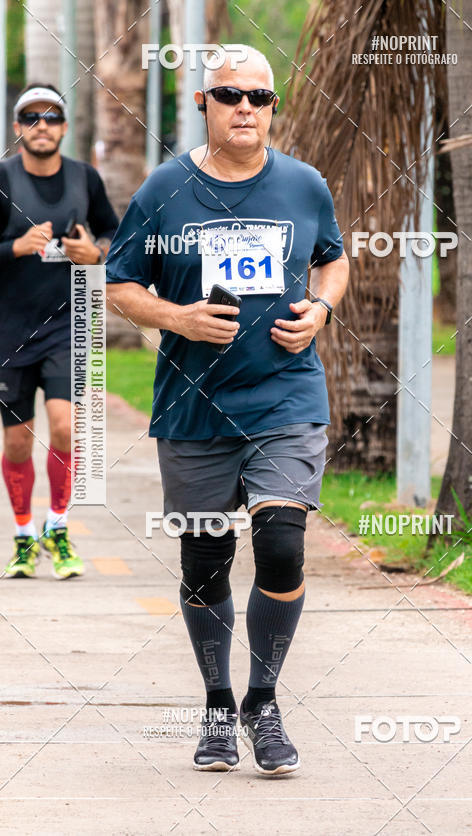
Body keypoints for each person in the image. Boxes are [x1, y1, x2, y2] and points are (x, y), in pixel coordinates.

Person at [105, 45, 349, 775]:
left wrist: (323, 309)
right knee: (206, 562)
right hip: (194, 407)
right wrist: (176, 319)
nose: (246, 108)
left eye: (261, 97)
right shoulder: (163, 191)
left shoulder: (304, 185)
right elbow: (120, 285)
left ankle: (263, 702)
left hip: (286, 394)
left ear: (273, 107)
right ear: (204, 104)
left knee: (280, 544)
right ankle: (217, 704)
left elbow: (333, 257)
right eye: (230, 95)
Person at [0, 83, 119, 579]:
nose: (42, 126)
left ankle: (59, 525)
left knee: (67, 427)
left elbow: (114, 233)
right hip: (8, 332)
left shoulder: (84, 179)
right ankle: (25, 535)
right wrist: (15, 248)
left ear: (65, 128)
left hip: (70, 325)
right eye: (32, 118)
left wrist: (98, 255)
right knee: (18, 444)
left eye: (51, 118)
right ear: (17, 128)